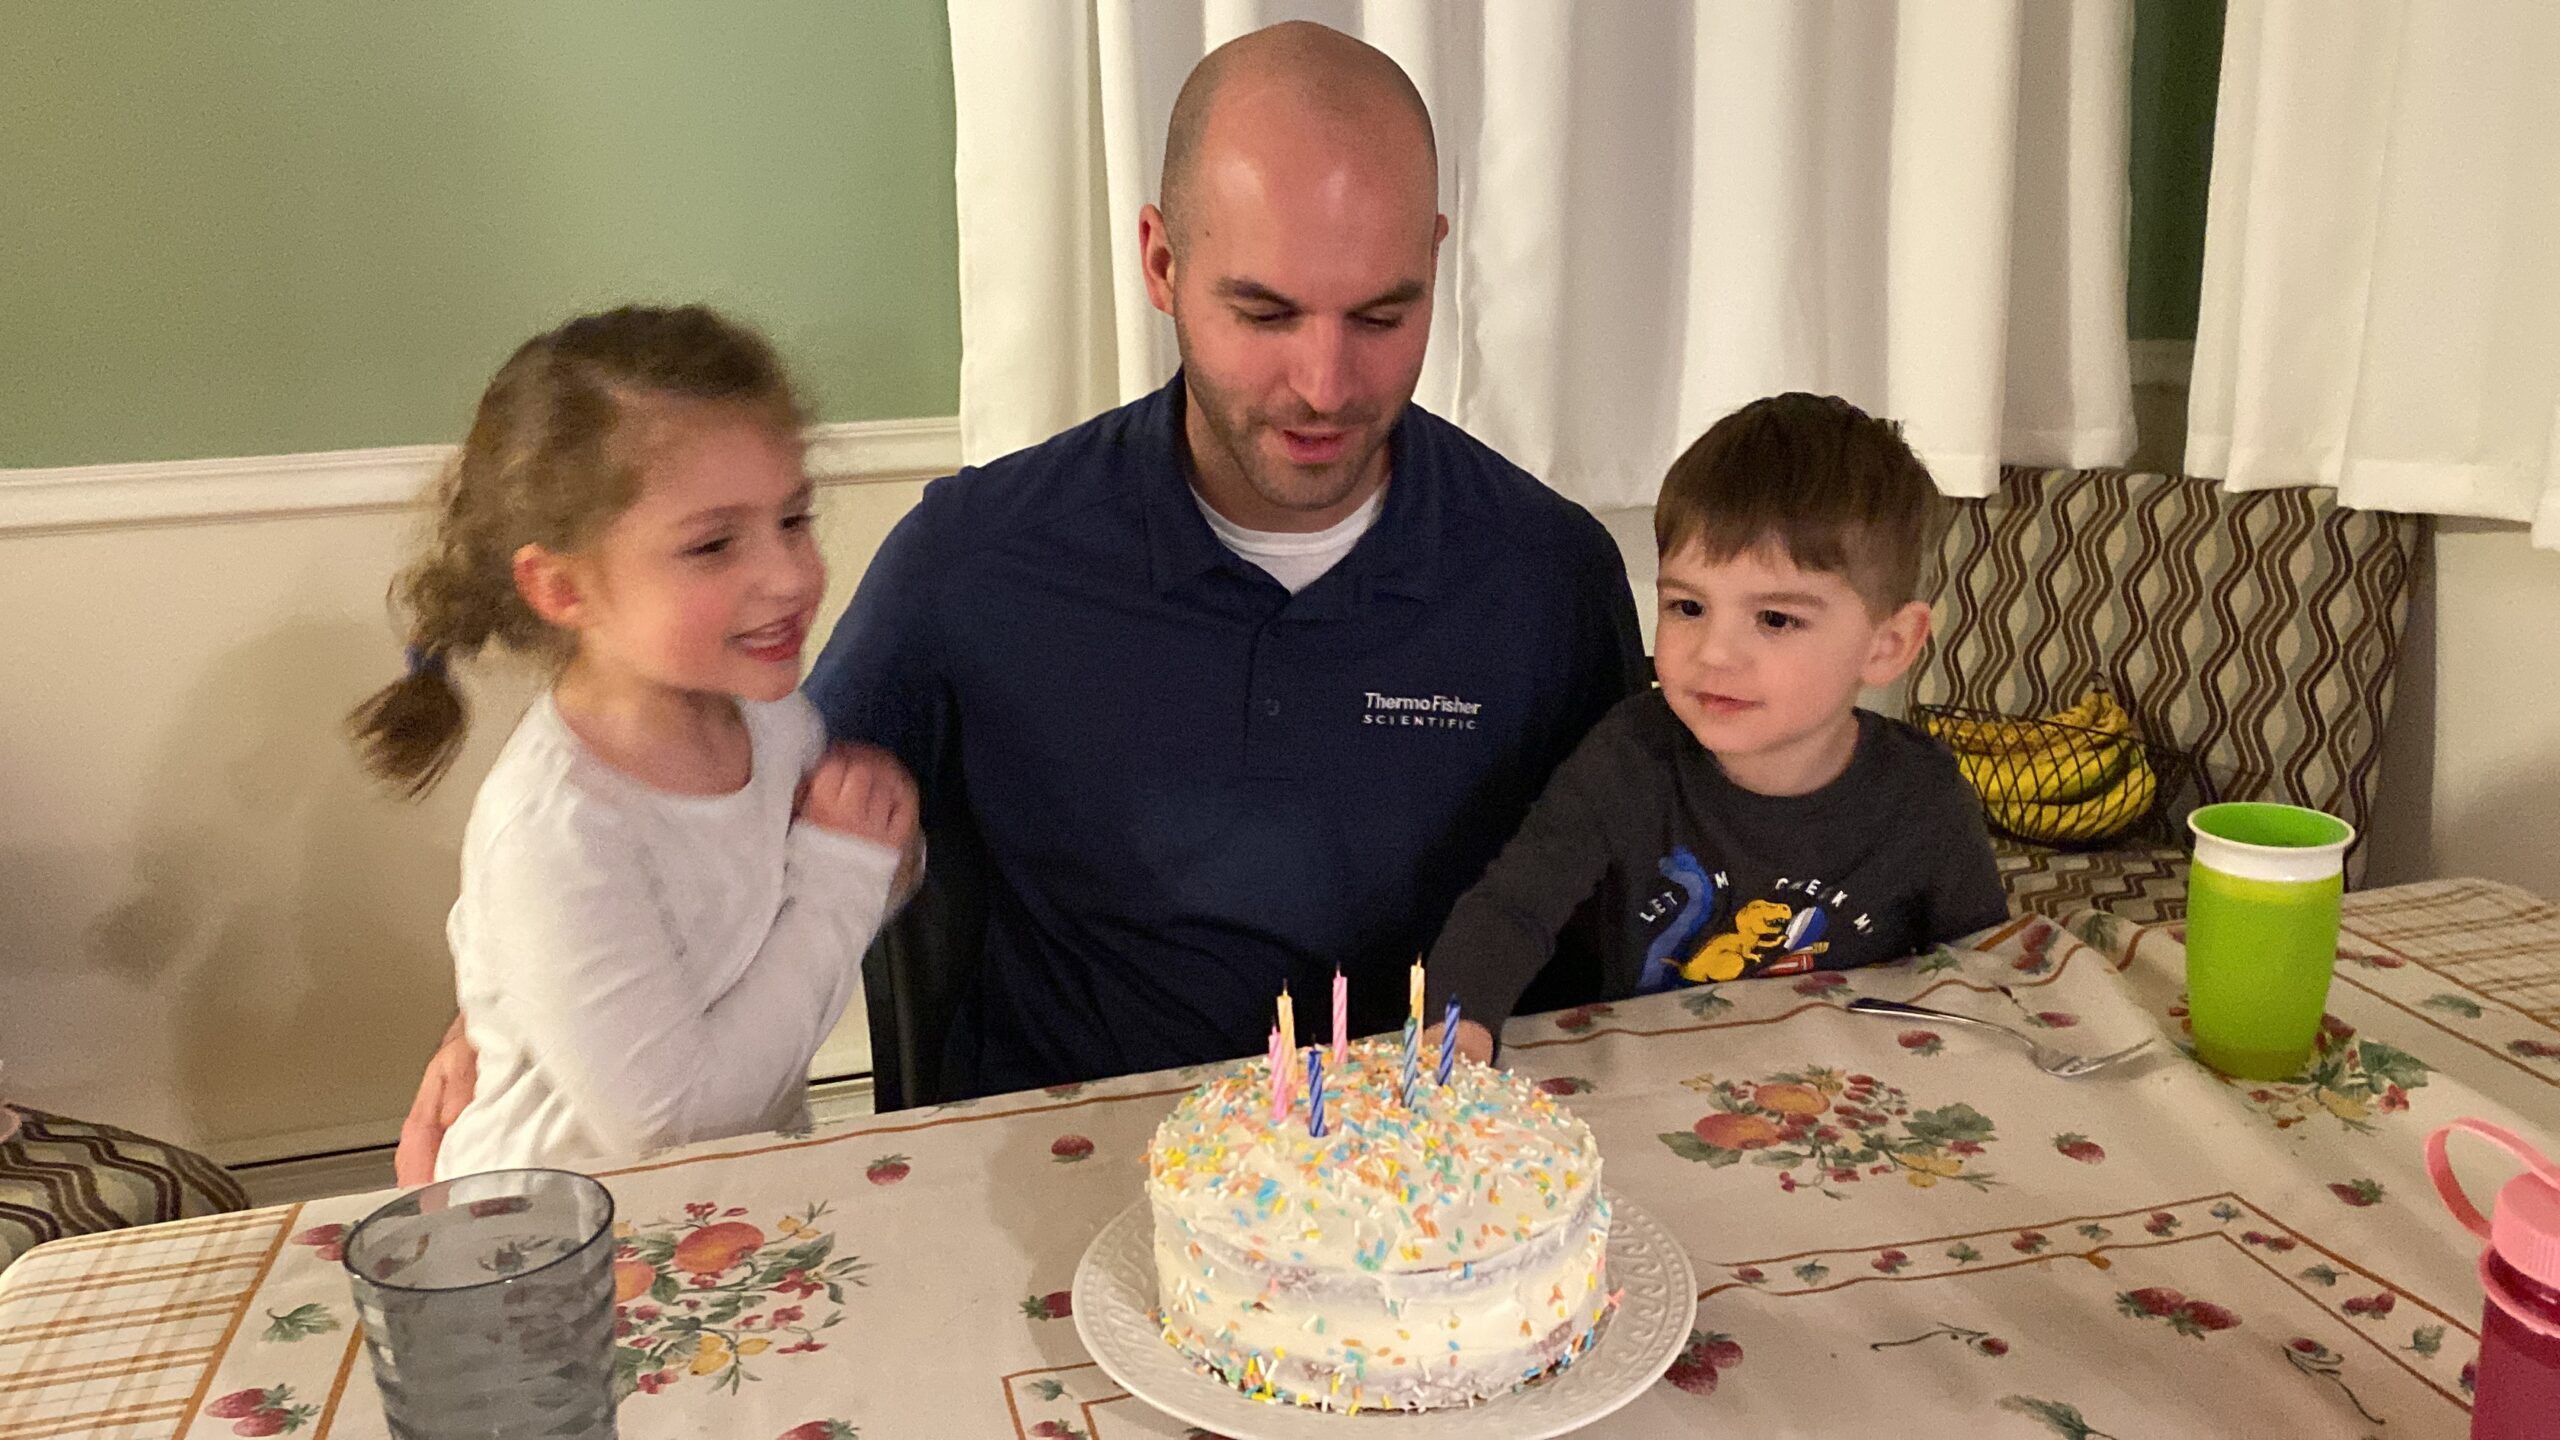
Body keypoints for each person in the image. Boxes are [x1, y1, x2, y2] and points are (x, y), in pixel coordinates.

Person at [802, 20, 1645, 1097]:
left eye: (1381, 315)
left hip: (1422, 1160)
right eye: (1265, 313)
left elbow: (1631, 927)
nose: (1326, 385)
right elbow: (753, 859)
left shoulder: (1550, 578)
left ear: (1436, 261)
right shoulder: (972, 562)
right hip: (1076, 1158)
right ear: (1162, 263)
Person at [353, 305, 921, 1181]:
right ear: (561, 587)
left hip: (725, 1203)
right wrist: (848, 869)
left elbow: (811, 912)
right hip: (553, 1234)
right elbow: (671, 1124)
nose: (789, 576)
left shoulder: (777, 724)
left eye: (794, 520)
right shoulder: (558, 828)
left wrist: (882, 849)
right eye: (713, 545)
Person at [1428, 392, 2009, 1062]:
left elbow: (1981, 976)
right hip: (1655, 1088)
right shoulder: (1631, 754)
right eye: (1688, 607)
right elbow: (1511, 910)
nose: (1714, 653)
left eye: (1775, 619)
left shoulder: (1924, 796)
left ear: (1888, 645)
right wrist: (1459, 1032)